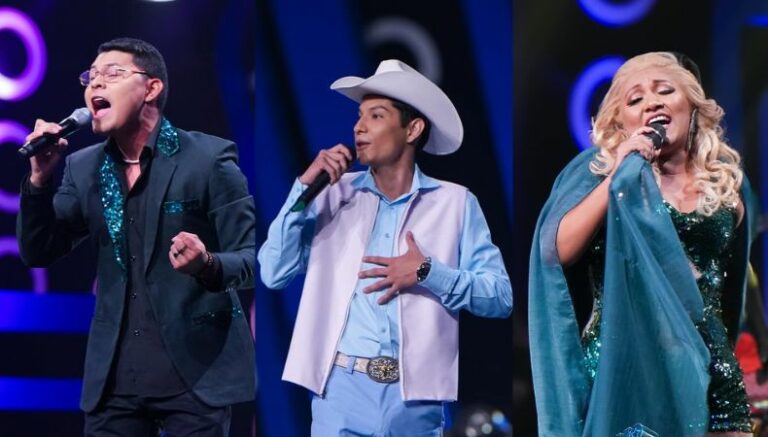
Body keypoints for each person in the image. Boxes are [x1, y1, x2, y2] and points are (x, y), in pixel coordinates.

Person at [258, 59, 513, 435]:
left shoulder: (456, 203)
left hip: (416, 402)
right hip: (340, 392)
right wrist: (303, 191)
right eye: (359, 116)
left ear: (413, 129)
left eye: (376, 116)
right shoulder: (333, 194)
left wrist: (428, 272)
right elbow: (272, 271)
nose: (359, 127)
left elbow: (501, 297)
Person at [16, 37, 256, 436]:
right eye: (91, 77)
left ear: (151, 88)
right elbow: (38, 251)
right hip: (115, 382)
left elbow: (251, 257)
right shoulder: (82, 168)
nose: (96, 84)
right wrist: (39, 180)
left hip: (195, 375)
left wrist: (207, 264)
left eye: (112, 74)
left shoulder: (208, 159)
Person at [529, 52, 755, 436]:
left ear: (691, 106)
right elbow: (556, 250)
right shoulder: (598, 173)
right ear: (622, 122)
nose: (651, 103)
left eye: (664, 91)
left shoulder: (724, 185)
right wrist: (621, 173)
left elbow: (731, 294)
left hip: (711, 370)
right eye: (635, 99)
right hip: (629, 371)